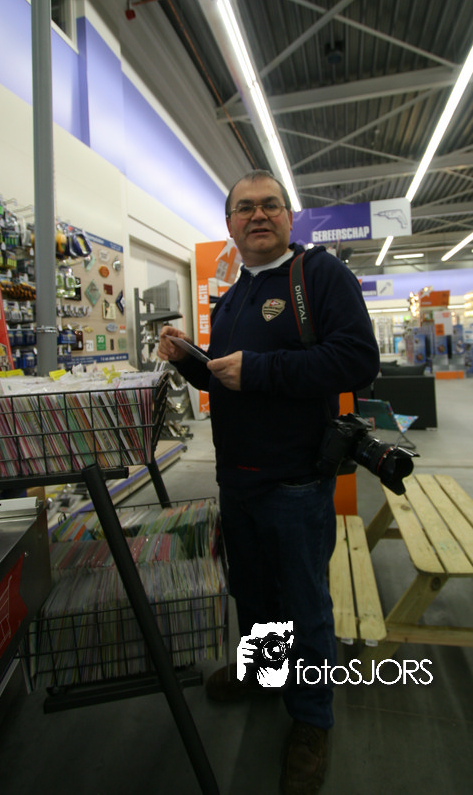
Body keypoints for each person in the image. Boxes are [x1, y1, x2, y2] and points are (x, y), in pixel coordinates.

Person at [157, 170, 379, 795]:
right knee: (252, 594)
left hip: (295, 480)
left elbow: (358, 360)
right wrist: (190, 360)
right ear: (230, 224)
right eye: (246, 207)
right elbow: (226, 378)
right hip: (238, 478)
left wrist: (259, 370)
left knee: (305, 606)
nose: (259, 214)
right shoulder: (233, 296)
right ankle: (265, 672)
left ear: (289, 217)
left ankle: (312, 720)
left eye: (271, 205)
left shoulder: (319, 275)